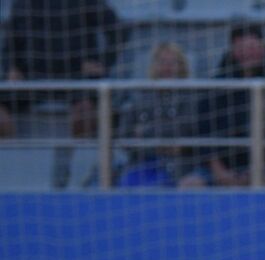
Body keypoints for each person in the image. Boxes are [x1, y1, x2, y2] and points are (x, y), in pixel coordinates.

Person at [196, 24, 265, 187]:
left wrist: (256, 169)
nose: (247, 53)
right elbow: (204, 132)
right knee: (190, 184)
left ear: (264, 47)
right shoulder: (217, 86)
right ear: (232, 50)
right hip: (224, 166)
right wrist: (219, 171)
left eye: (252, 47)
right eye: (241, 48)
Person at [0, 0, 125, 140]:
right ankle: (11, 157)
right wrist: (11, 67)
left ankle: (80, 158)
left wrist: (103, 62)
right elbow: (10, 43)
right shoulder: (22, 4)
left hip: (77, 78)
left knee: (85, 111)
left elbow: (119, 31)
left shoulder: (87, 2)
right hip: (31, 78)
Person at [115, 42, 201, 188]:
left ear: (181, 66)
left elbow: (186, 130)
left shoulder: (191, 96)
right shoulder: (140, 95)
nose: (167, 67)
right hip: (141, 162)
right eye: (162, 62)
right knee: (125, 184)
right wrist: (159, 144)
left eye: (172, 62)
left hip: (177, 165)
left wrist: (145, 132)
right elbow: (125, 135)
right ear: (154, 66)